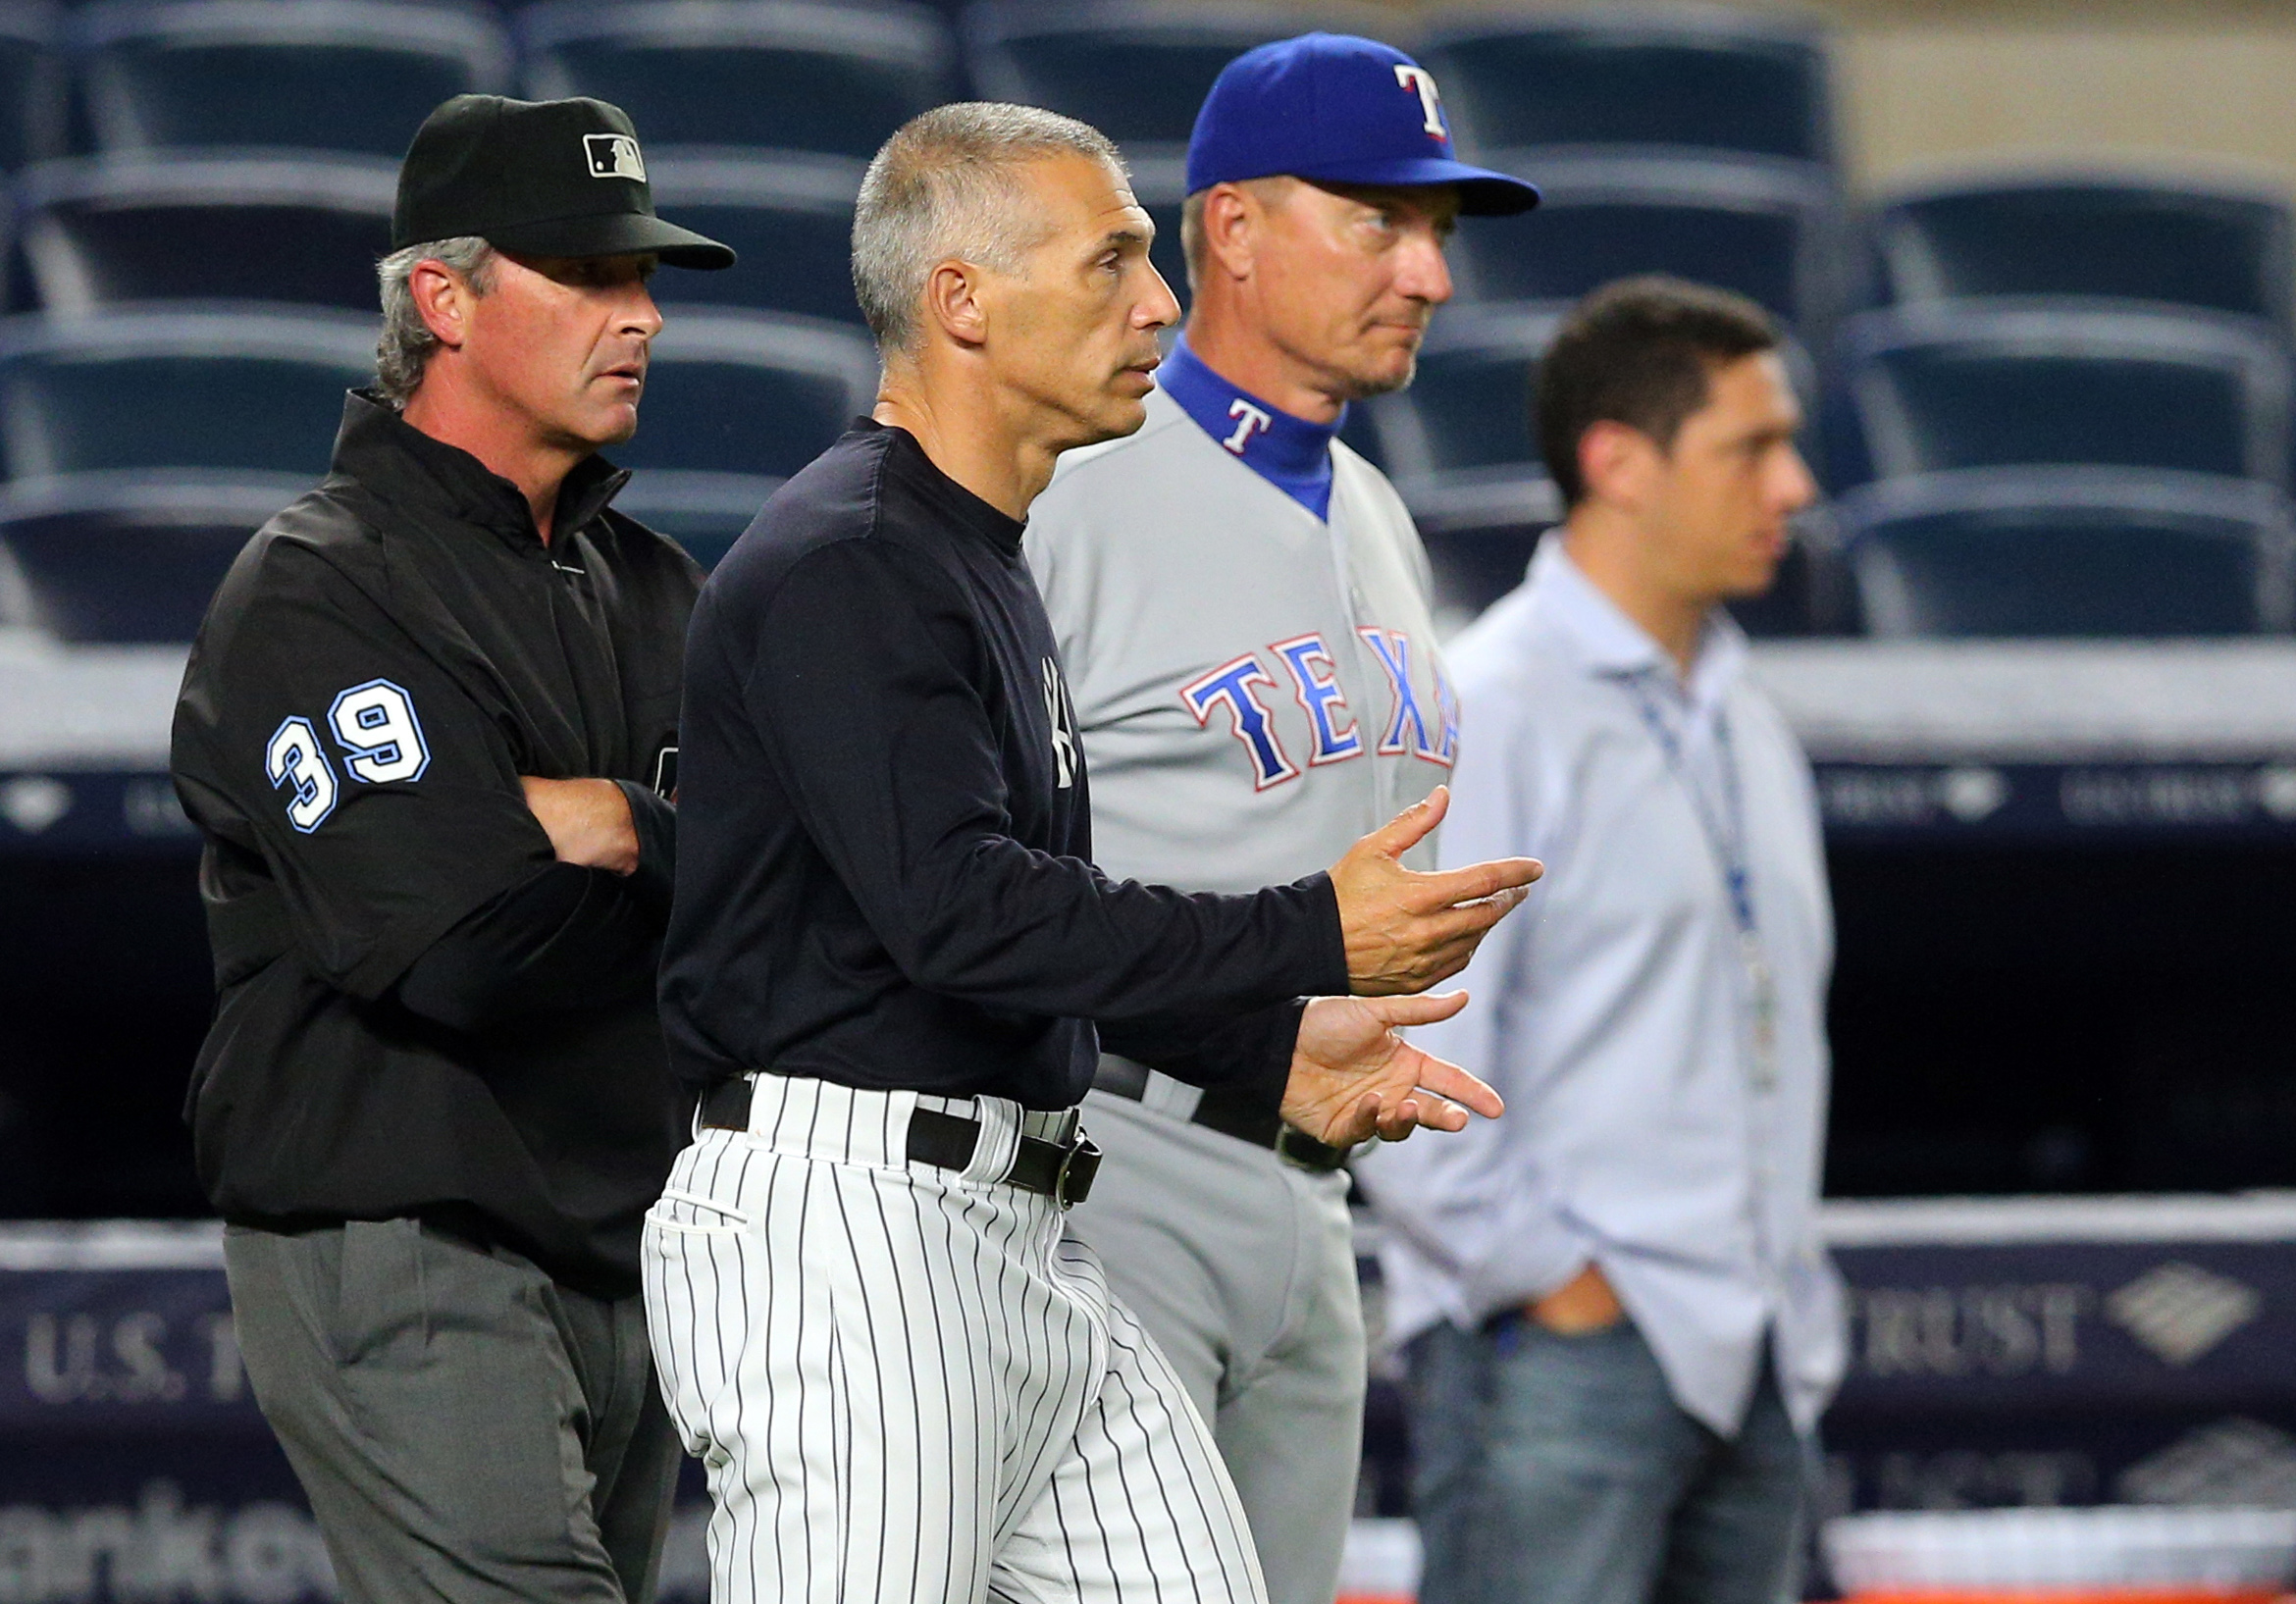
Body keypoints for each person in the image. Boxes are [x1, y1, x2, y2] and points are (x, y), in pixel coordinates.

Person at [645, 102, 1542, 1604]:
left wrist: (1262, 1054)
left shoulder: (977, 550)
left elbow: (1013, 934)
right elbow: (966, 919)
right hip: (853, 1228)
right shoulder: (853, 556)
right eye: (1113, 262)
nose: (1160, 303)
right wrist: (1309, 932)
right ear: (963, 302)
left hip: (1021, 1218)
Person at [170, 94, 733, 1604]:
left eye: (646, 281)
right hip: (409, 1231)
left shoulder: (661, 587)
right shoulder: (319, 589)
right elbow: (462, 950)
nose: (644, 318)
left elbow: (779, 897)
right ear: (445, 298)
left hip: (623, 1246)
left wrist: (619, 826)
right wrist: (676, 863)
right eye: (593, 278)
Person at [1020, 33, 1538, 1604]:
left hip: (1315, 1207)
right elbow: (946, 874)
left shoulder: (1377, 513)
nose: (1429, 272)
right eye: (1380, 219)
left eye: (1438, 230)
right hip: (1109, 1172)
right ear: (1232, 230)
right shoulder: (1072, 490)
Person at [1359, 275, 1848, 1604]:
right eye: (1752, 447)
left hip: (1751, 1353)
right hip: (1559, 1352)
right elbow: (1398, 1045)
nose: (1794, 488)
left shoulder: (1751, 721)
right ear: (1619, 463)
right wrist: (1558, 1284)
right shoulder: (1495, 704)